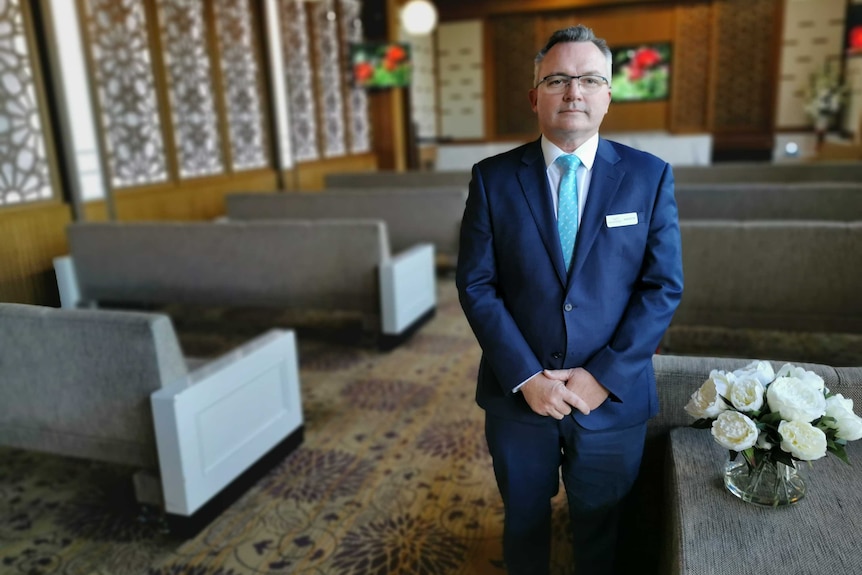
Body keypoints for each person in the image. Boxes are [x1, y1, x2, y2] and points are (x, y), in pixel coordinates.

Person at [455, 24, 684, 575]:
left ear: (608, 95)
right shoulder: (492, 179)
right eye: (557, 79)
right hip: (519, 396)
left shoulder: (649, 177)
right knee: (525, 524)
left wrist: (602, 374)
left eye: (588, 79)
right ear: (535, 96)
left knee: (604, 527)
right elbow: (477, 284)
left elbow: (662, 287)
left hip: (612, 395)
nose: (573, 91)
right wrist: (527, 376)